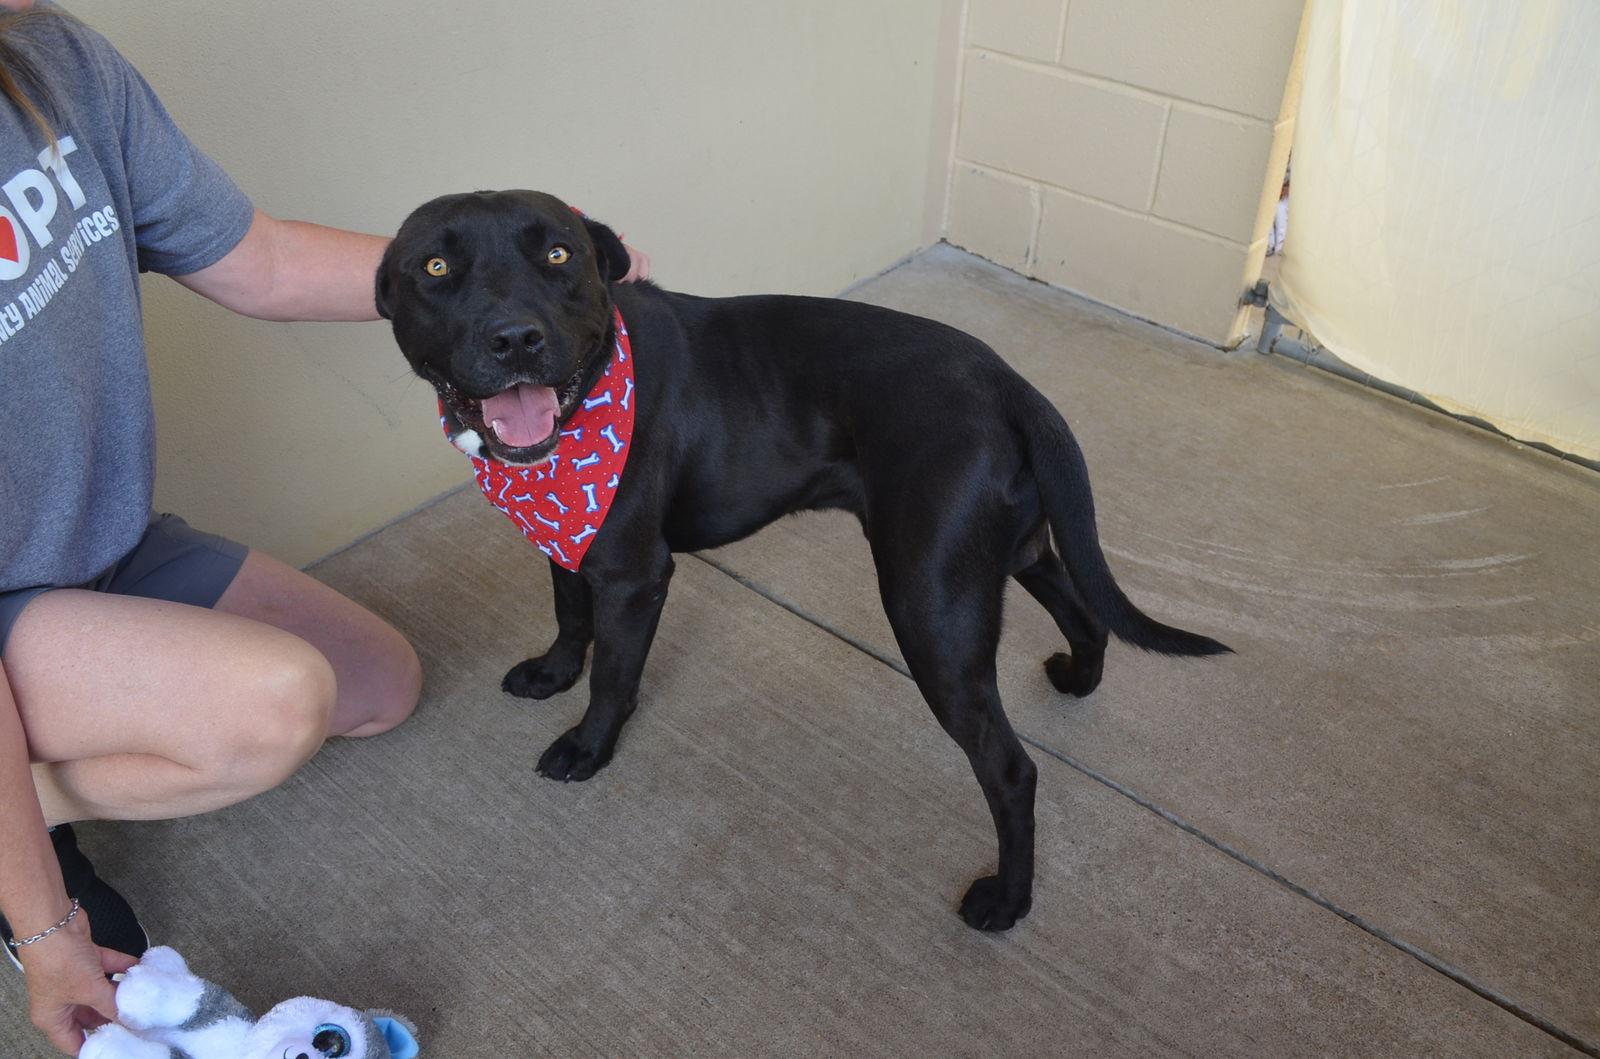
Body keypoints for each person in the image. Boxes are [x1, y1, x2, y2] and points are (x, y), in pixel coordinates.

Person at [0, 3, 648, 1053]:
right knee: (276, 702)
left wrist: (525, 282)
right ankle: (16, 852)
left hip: (95, 544)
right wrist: (46, 927)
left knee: (375, 684)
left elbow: (253, 260)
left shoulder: (53, 60)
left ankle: (24, 803)